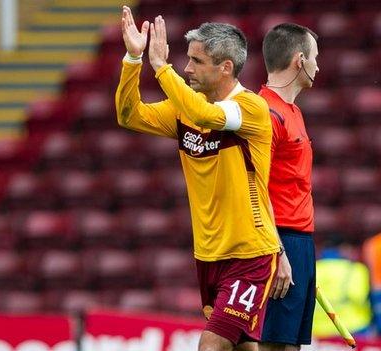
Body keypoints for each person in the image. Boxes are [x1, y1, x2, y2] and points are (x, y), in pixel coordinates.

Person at [116, 6, 282, 351]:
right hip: (208, 254)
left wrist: (161, 68)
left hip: (249, 253)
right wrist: (133, 60)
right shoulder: (184, 109)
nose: (186, 68)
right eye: (185, 60)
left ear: (225, 68)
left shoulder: (251, 109)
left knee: (211, 344)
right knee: (241, 346)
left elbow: (204, 113)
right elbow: (129, 115)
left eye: (196, 61)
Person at [257, 23, 319, 351]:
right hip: (280, 240)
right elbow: (255, 186)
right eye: (314, 58)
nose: (318, 66)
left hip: (301, 241)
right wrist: (277, 251)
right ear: (299, 60)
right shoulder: (264, 112)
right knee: (273, 345)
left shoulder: (293, 111)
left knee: (290, 345)